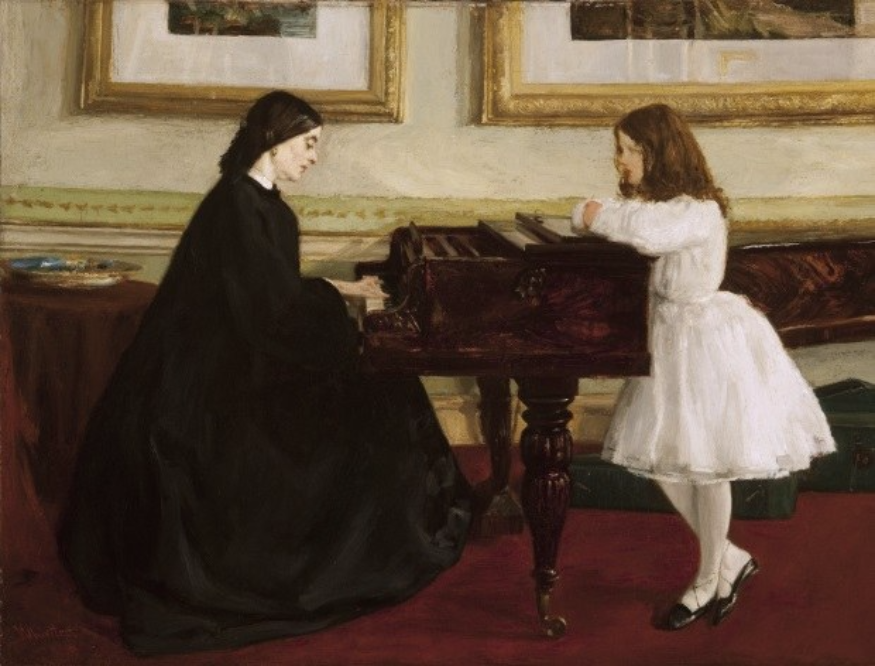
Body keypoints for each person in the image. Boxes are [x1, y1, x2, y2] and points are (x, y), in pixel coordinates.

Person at [58, 91, 471, 655]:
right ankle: (377, 549)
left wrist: (343, 290)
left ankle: (401, 530)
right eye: (308, 144)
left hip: (246, 354)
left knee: (385, 383)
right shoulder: (236, 206)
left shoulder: (263, 204)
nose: (314, 157)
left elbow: (270, 291)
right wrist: (344, 311)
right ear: (275, 141)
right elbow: (267, 316)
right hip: (214, 381)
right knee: (378, 397)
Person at [571, 104, 835, 630]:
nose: (620, 160)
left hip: (705, 343)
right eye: (619, 149)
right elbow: (603, 217)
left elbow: (644, 232)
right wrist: (590, 212)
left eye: (630, 150)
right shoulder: (662, 205)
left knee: (707, 464)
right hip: (670, 340)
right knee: (664, 464)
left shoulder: (697, 210)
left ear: (660, 152)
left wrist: (594, 213)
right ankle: (729, 558)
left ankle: (708, 579)